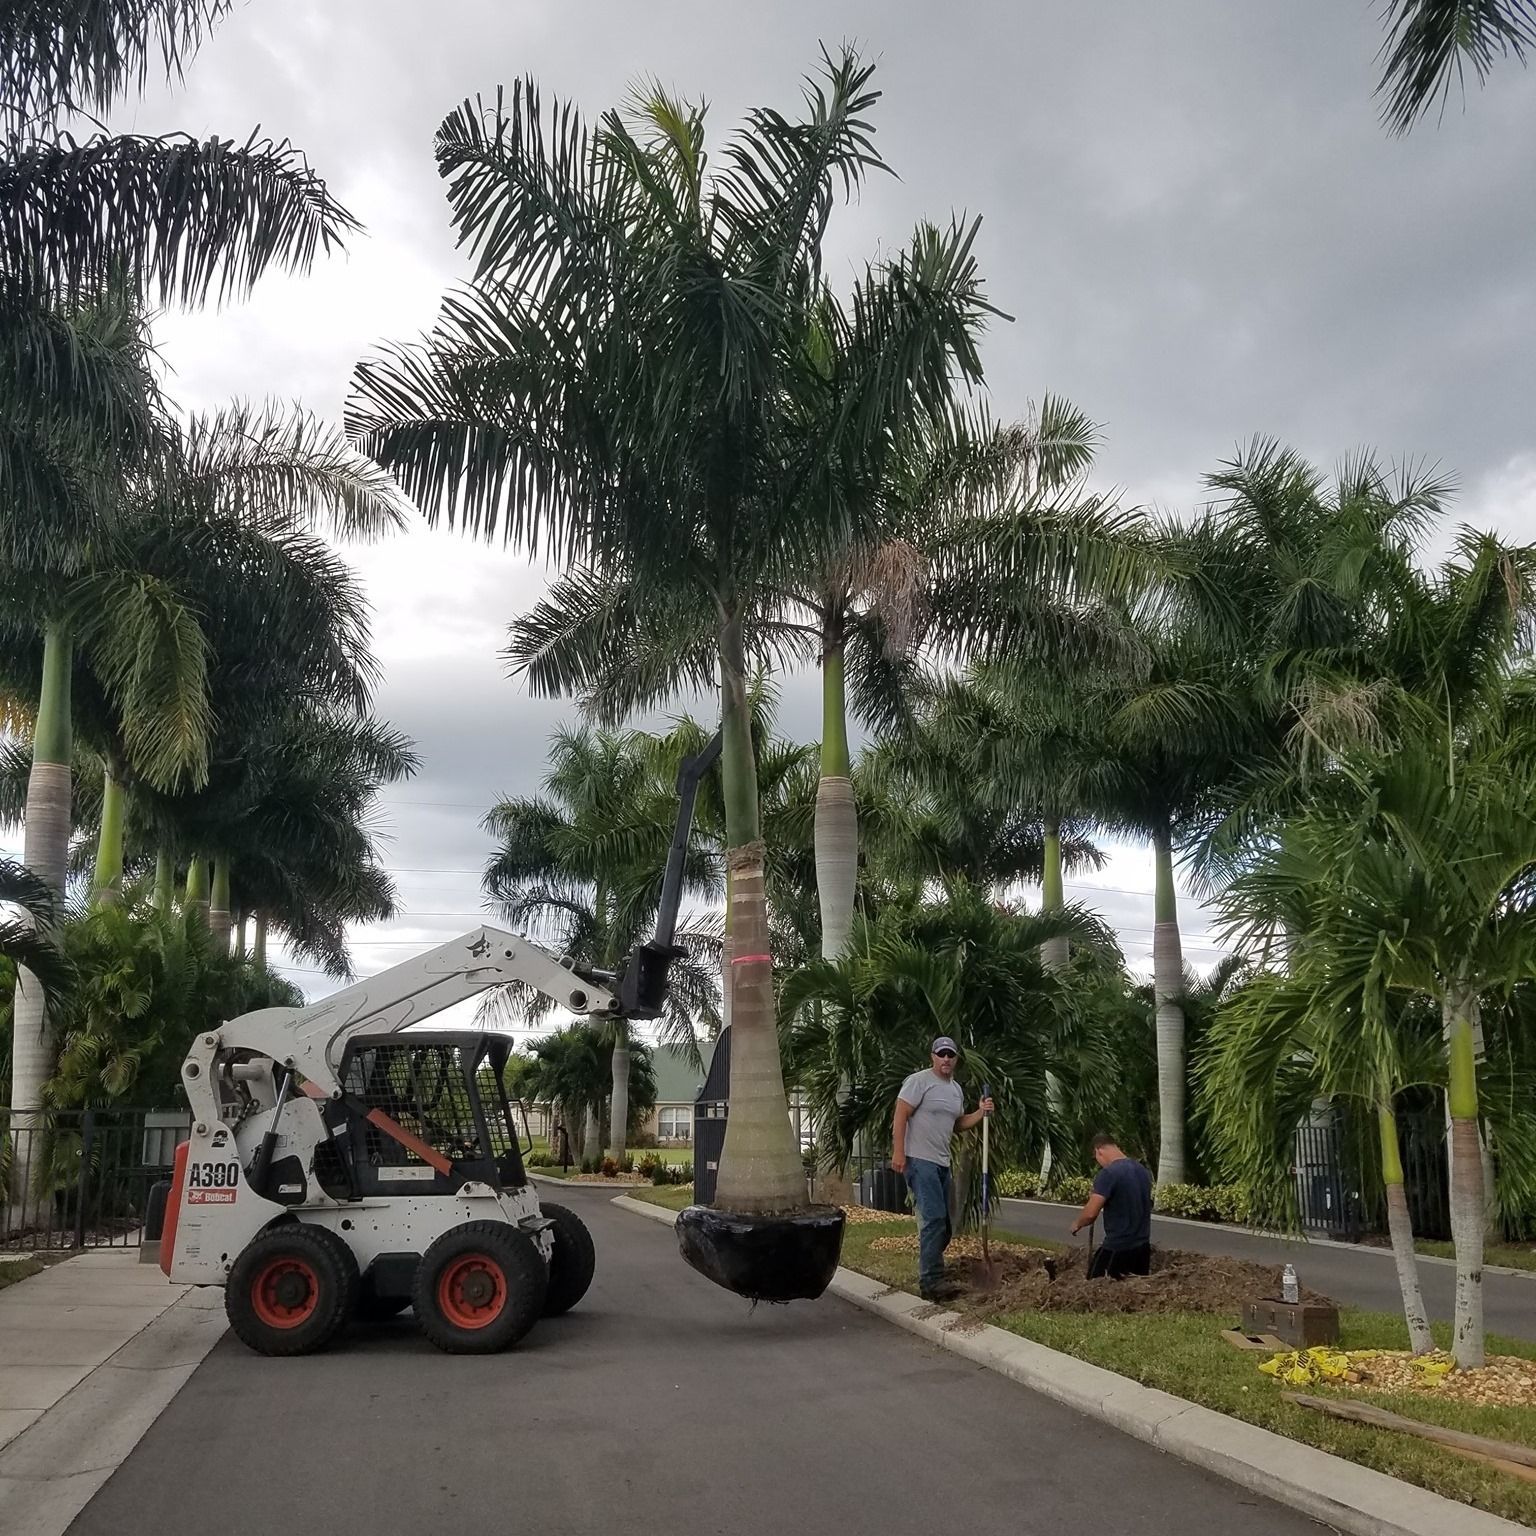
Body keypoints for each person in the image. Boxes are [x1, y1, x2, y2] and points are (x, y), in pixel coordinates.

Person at [891, 1036, 994, 1300]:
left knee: (945, 1225)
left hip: (942, 1162)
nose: (946, 1059)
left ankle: (932, 1268)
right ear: (933, 1057)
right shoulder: (919, 1081)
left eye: (950, 1054)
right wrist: (899, 1152)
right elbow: (901, 1114)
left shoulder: (955, 1090)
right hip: (919, 1160)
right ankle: (931, 1282)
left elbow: (957, 1124)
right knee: (934, 1219)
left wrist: (980, 1112)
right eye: (941, 1054)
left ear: (956, 1059)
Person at [1070, 1132, 1153, 1278]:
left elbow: (1090, 1214)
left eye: (1096, 1158)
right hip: (1142, 1248)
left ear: (1099, 1151)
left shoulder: (1108, 1174)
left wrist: (1077, 1223)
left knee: (1095, 1288)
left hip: (1118, 1247)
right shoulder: (1142, 1171)